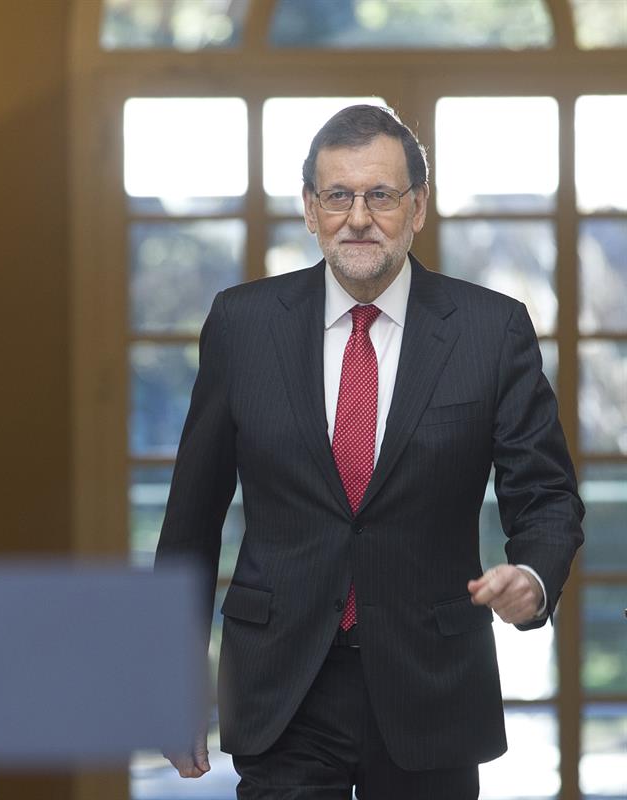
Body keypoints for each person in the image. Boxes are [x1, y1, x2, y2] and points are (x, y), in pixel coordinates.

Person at [155, 104, 584, 799]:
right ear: (309, 208)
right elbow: (190, 523)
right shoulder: (242, 325)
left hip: (432, 683)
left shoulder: (490, 330)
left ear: (418, 207)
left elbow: (546, 495)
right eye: (338, 196)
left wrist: (533, 573)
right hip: (282, 684)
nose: (358, 217)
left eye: (380, 195)